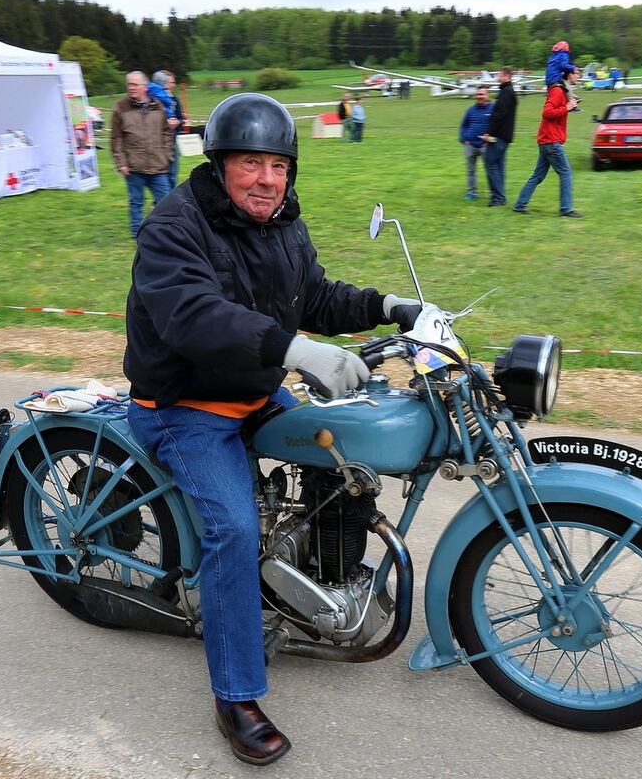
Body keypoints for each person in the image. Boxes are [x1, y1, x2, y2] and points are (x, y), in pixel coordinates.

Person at [122, 92, 421, 766]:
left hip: (254, 393)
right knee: (232, 529)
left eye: (278, 165)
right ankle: (235, 696)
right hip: (184, 406)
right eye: (251, 163)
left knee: (345, 456)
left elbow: (312, 295)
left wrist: (387, 306)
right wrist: (294, 350)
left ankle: (313, 579)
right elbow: (193, 316)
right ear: (222, 163)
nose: (267, 179)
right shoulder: (174, 226)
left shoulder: (281, 220)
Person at [513, 64, 582, 218]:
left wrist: (569, 105)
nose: (579, 76)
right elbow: (547, 112)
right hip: (551, 140)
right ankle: (566, 208)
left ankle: (519, 205)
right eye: (577, 73)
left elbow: (559, 110)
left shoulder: (563, 91)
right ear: (569, 75)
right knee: (566, 173)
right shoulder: (557, 90)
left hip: (547, 139)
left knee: (538, 176)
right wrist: (567, 107)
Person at [111, 70, 173, 239]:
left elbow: (166, 133)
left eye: (135, 85)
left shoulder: (157, 106)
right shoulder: (120, 107)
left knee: (165, 202)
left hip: (158, 164)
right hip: (134, 166)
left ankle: (166, 233)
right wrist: (121, 163)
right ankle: (138, 235)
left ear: (145, 87)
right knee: (136, 202)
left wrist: (168, 154)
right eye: (129, 85)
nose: (131, 88)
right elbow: (116, 138)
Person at [482, 68, 517, 207]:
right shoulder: (508, 91)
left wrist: (489, 132)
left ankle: (498, 197)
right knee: (499, 165)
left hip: (499, 135)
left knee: (490, 162)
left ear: (507, 77)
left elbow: (500, 114)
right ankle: (500, 195)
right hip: (505, 135)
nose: (498, 78)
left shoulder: (506, 92)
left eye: (500, 76)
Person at [149, 70, 184, 189]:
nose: (172, 85)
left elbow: (180, 117)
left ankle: (170, 200)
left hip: (172, 140)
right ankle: (160, 202)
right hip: (157, 142)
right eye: (170, 82)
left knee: (172, 175)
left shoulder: (174, 99)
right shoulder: (151, 97)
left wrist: (177, 122)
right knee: (160, 175)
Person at [459, 87, 493, 200]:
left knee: (490, 170)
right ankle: (472, 193)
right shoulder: (471, 110)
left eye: (482, 94)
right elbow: (464, 125)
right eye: (478, 94)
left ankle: (493, 193)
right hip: (470, 145)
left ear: (487, 96)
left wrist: (490, 138)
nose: (480, 96)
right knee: (470, 170)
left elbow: (498, 125)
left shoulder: (493, 109)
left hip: (486, 146)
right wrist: (464, 139)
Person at [546, 40, 582, 112]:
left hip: (550, 79)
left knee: (564, 87)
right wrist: (572, 68)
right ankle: (572, 103)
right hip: (555, 78)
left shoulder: (554, 56)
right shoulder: (563, 55)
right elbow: (563, 65)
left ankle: (573, 98)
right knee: (566, 86)